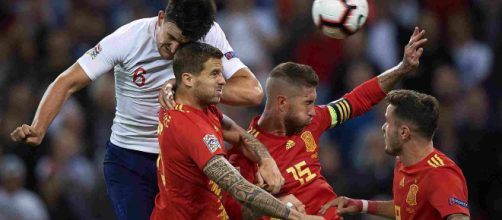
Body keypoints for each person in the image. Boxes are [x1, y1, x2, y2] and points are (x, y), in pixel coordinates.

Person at [9, 0, 264, 219]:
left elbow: (252, 91)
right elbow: (67, 81)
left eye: (183, 44)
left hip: (183, 159)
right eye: (171, 38)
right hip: (130, 159)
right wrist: (39, 126)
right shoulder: (127, 39)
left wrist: (187, 87)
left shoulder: (209, 34)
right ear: (161, 18)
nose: (173, 50)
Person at [224, 27, 428, 219]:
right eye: (307, 103)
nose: (314, 111)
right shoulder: (247, 152)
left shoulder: (311, 121)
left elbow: (356, 100)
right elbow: (235, 211)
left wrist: (402, 68)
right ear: (282, 103)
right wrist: (280, 207)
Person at [152, 42, 322, 220]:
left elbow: (240, 136)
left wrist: (265, 158)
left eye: (221, 73)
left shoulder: (194, 104)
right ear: (188, 79)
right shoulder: (190, 127)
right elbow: (238, 188)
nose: (223, 80)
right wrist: (296, 217)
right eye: (214, 74)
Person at [318, 90, 470, 220]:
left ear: (404, 132)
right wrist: (360, 205)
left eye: (387, 122)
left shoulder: (441, 174)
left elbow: (459, 217)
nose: (383, 128)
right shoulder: (402, 162)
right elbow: (404, 208)